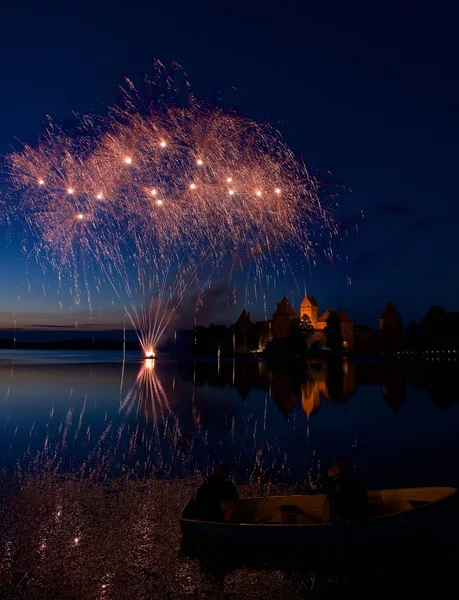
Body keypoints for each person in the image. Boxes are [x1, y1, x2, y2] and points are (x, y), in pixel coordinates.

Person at [323, 458, 369, 522]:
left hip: (351, 517)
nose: (332, 469)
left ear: (338, 470)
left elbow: (330, 496)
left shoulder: (340, 483)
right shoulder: (351, 476)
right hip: (361, 512)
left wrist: (330, 479)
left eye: (334, 467)